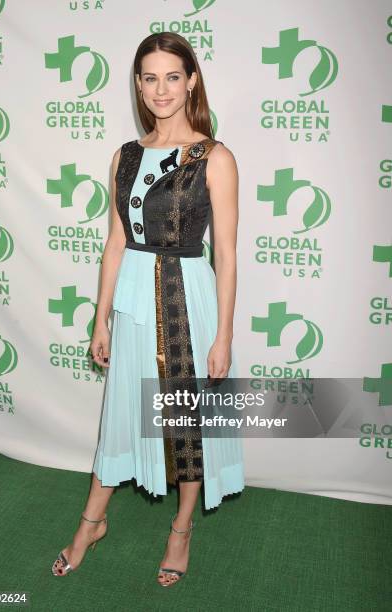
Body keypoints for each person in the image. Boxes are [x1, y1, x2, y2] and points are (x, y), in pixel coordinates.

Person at [51, 31, 245, 587]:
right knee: (120, 415)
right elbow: (115, 242)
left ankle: (181, 528)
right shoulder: (126, 155)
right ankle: (92, 522)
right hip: (134, 294)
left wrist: (223, 335)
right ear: (138, 84)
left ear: (191, 82)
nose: (161, 89)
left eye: (172, 77)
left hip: (189, 294)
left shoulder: (215, 157)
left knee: (186, 416)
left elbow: (227, 255)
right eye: (150, 77)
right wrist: (100, 317)